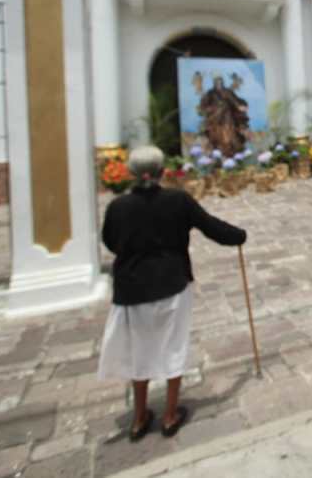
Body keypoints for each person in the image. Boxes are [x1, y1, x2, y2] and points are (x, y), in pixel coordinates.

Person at [97, 145, 247, 441]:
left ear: (131, 174)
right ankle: (169, 414)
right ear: (163, 171)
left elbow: (111, 242)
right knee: (172, 346)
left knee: (138, 351)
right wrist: (238, 236)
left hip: (132, 288)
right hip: (172, 283)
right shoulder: (177, 201)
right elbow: (210, 226)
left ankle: (139, 418)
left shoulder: (118, 207)